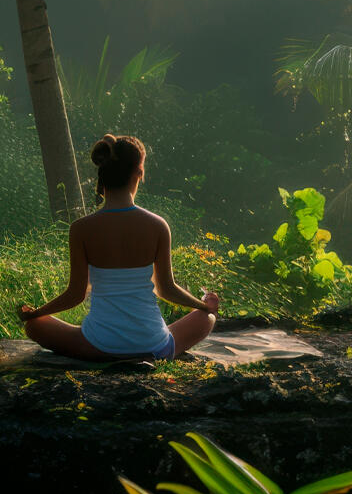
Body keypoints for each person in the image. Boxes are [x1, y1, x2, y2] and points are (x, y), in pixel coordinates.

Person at [17, 135, 220, 361]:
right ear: (139, 173)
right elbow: (166, 289)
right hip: (154, 347)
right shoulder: (157, 225)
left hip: (98, 348)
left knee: (35, 325)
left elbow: (76, 295)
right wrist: (204, 306)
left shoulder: (81, 229)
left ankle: (107, 351)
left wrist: (36, 313)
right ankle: (154, 344)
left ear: (103, 174)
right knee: (206, 319)